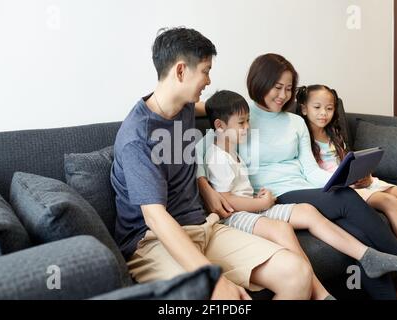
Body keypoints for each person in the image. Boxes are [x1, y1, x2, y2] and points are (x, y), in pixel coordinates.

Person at [110, 28, 315, 300]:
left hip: (205, 228)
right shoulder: (137, 137)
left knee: (297, 273)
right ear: (181, 71)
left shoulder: (184, 105)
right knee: (222, 297)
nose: (209, 80)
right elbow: (155, 218)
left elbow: (224, 113)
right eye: (205, 71)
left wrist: (202, 182)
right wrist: (212, 277)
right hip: (153, 242)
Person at [196, 53, 397, 299]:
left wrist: (338, 181)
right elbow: (204, 147)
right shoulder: (241, 117)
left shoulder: (295, 122)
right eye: (276, 87)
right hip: (273, 196)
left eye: (288, 89)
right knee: (344, 198)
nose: (282, 95)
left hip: (305, 189)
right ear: (259, 82)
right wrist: (204, 185)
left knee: (356, 230)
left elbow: (310, 169)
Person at [296, 84, 397, 288]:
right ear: (304, 108)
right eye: (317, 107)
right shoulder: (302, 137)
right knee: (389, 201)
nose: (324, 113)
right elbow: (313, 174)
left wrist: (364, 174)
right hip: (339, 188)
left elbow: (345, 162)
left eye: (329, 108)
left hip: (357, 182)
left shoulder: (334, 133)